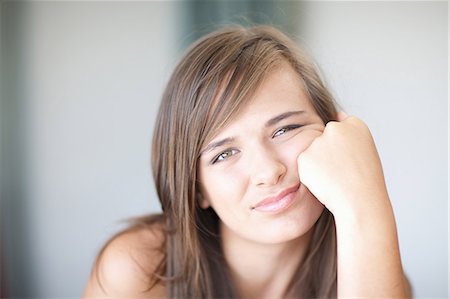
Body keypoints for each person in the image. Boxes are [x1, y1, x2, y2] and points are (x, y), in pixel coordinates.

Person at [83, 25, 411, 298]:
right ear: (197, 190)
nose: (268, 171)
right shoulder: (138, 270)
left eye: (286, 129)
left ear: (332, 133)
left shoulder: (367, 268)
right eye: (225, 153)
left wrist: (364, 203)